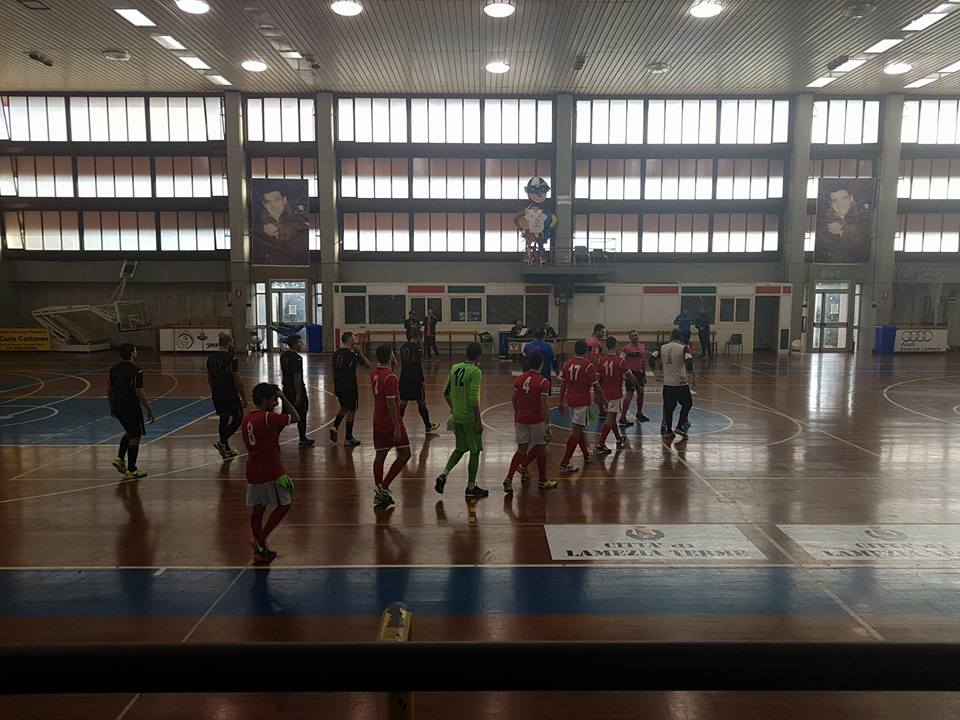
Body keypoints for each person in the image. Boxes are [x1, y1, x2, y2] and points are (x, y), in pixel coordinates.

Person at [241, 382, 300, 563]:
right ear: (265, 399)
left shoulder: (248, 419)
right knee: (285, 504)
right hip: (270, 470)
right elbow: (296, 417)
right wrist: (283, 397)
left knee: (258, 509)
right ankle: (260, 538)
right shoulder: (268, 418)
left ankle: (260, 551)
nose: (275, 403)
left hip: (252, 470)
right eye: (273, 399)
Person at [436, 342, 488, 498]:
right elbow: (473, 399)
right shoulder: (475, 371)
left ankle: (443, 474)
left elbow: (445, 392)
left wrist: (454, 408)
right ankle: (471, 487)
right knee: (475, 450)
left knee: (460, 448)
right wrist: (478, 420)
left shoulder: (455, 368)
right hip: (469, 417)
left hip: (456, 416)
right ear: (479, 356)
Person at [504, 352, 555, 494]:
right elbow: (544, 405)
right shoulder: (543, 382)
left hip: (521, 418)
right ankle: (543, 480)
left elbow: (513, 399)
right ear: (541, 364)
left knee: (521, 449)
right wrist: (548, 425)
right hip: (536, 420)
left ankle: (508, 479)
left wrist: (517, 412)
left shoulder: (520, 379)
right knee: (541, 447)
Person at [371, 344, 411, 507]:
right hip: (389, 422)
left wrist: (392, 367)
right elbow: (390, 403)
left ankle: (379, 487)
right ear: (390, 356)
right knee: (405, 454)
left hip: (377, 420)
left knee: (380, 455)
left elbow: (384, 381)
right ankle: (384, 487)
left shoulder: (375, 373)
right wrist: (396, 426)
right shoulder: (391, 377)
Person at [108, 343, 155, 480]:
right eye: (135, 350)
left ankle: (120, 458)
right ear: (132, 353)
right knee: (135, 436)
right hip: (131, 405)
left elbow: (110, 389)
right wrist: (149, 409)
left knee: (129, 431)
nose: (136, 352)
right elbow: (139, 391)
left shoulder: (113, 369)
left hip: (118, 404)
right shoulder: (137, 371)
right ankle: (131, 469)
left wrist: (112, 406)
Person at [558, 340, 603, 472]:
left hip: (571, 400)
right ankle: (565, 462)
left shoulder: (567, 363)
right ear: (586, 351)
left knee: (579, 429)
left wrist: (561, 401)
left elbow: (563, 384)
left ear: (574, 350)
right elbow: (596, 385)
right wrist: (602, 398)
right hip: (582, 401)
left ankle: (586, 455)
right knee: (576, 432)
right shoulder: (588, 365)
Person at [596, 336, 641, 455]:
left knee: (612, 416)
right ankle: (601, 444)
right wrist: (638, 386)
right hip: (614, 394)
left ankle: (618, 438)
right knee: (610, 418)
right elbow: (630, 376)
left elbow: (597, 379)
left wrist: (597, 394)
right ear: (616, 345)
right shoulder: (620, 361)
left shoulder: (601, 360)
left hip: (604, 393)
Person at [650, 329, 696, 438]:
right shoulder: (684, 347)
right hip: (680, 383)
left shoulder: (662, 347)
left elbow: (651, 359)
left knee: (669, 407)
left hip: (668, 383)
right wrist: (690, 375)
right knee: (687, 404)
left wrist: (656, 372)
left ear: (670, 336)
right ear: (680, 337)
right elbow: (689, 361)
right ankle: (679, 426)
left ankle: (669, 431)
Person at [207, 332, 246, 459]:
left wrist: (214, 391)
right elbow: (236, 377)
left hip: (217, 392)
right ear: (229, 342)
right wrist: (243, 395)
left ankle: (226, 449)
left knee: (223, 418)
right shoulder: (231, 358)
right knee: (238, 418)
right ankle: (222, 441)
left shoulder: (210, 358)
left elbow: (210, 377)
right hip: (229, 392)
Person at [252, 188, 310, 266]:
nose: (273, 206)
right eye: (268, 202)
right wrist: (261, 229)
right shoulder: (257, 226)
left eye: (277, 200)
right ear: (264, 205)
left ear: (284, 200)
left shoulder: (299, 224)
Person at [398, 329, 441, 435]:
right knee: (421, 402)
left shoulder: (403, 347)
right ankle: (428, 426)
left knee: (403, 402)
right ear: (418, 337)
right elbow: (417, 365)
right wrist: (422, 380)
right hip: (415, 379)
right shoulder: (417, 348)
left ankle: (397, 425)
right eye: (420, 338)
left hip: (404, 378)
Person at [330, 331, 368, 446]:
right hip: (349, 385)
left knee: (344, 407)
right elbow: (367, 364)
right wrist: (359, 353)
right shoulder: (352, 355)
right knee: (351, 410)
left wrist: (335, 386)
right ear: (349, 340)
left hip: (339, 384)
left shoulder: (336, 354)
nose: (355, 339)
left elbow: (333, 370)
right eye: (353, 337)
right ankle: (348, 437)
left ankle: (335, 427)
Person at [815, 186, 872, 263]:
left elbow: (861, 247)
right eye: (835, 200)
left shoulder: (864, 219)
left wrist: (842, 233)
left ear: (851, 199)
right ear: (831, 204)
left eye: (844, 198)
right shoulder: (823, 223)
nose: (840, 204)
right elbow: (822, 249)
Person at [280, 335, 313, 447]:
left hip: (286, 389)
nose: (301, 344)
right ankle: (302, 439)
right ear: (294, 344)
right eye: (299, 342)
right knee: (302, 414)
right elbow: (297, 376)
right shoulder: (297, 358)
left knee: (284, 415)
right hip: (295, 389)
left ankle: (273, 437)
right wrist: (298, 394)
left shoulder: (283, 356)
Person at [619, 330, 650, 426]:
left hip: (639, 374)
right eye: (632, 336)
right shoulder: (626, 349)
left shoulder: (642, 347)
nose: (635, 337)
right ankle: (622, 417)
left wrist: (644, 374)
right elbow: (621, 361)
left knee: (641, 393)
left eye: (636, 335)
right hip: (630, 374)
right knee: (629, 395)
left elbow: (643, 361)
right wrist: (623, 374)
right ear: (630, 338)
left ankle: (639, 413)